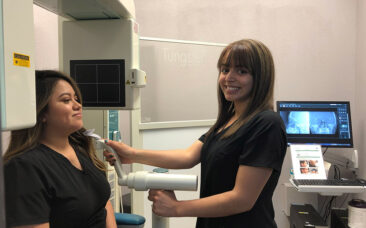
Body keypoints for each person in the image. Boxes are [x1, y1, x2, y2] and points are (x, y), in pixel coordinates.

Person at [104, 39, 287, 228]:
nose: (228, 78)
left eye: (241, 71)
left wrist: (176, 208)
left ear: (261, 77)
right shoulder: (229, 120)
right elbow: (187, 156)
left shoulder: (267, 124)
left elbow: (242, 198)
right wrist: (132, 155)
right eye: (225, 70)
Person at [3, 70, 117, 228]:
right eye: (66, 100)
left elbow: (103, 204)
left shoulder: (81, 148)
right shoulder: (24, 168)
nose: (78, 105)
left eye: (76, 99)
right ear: (41, 112)